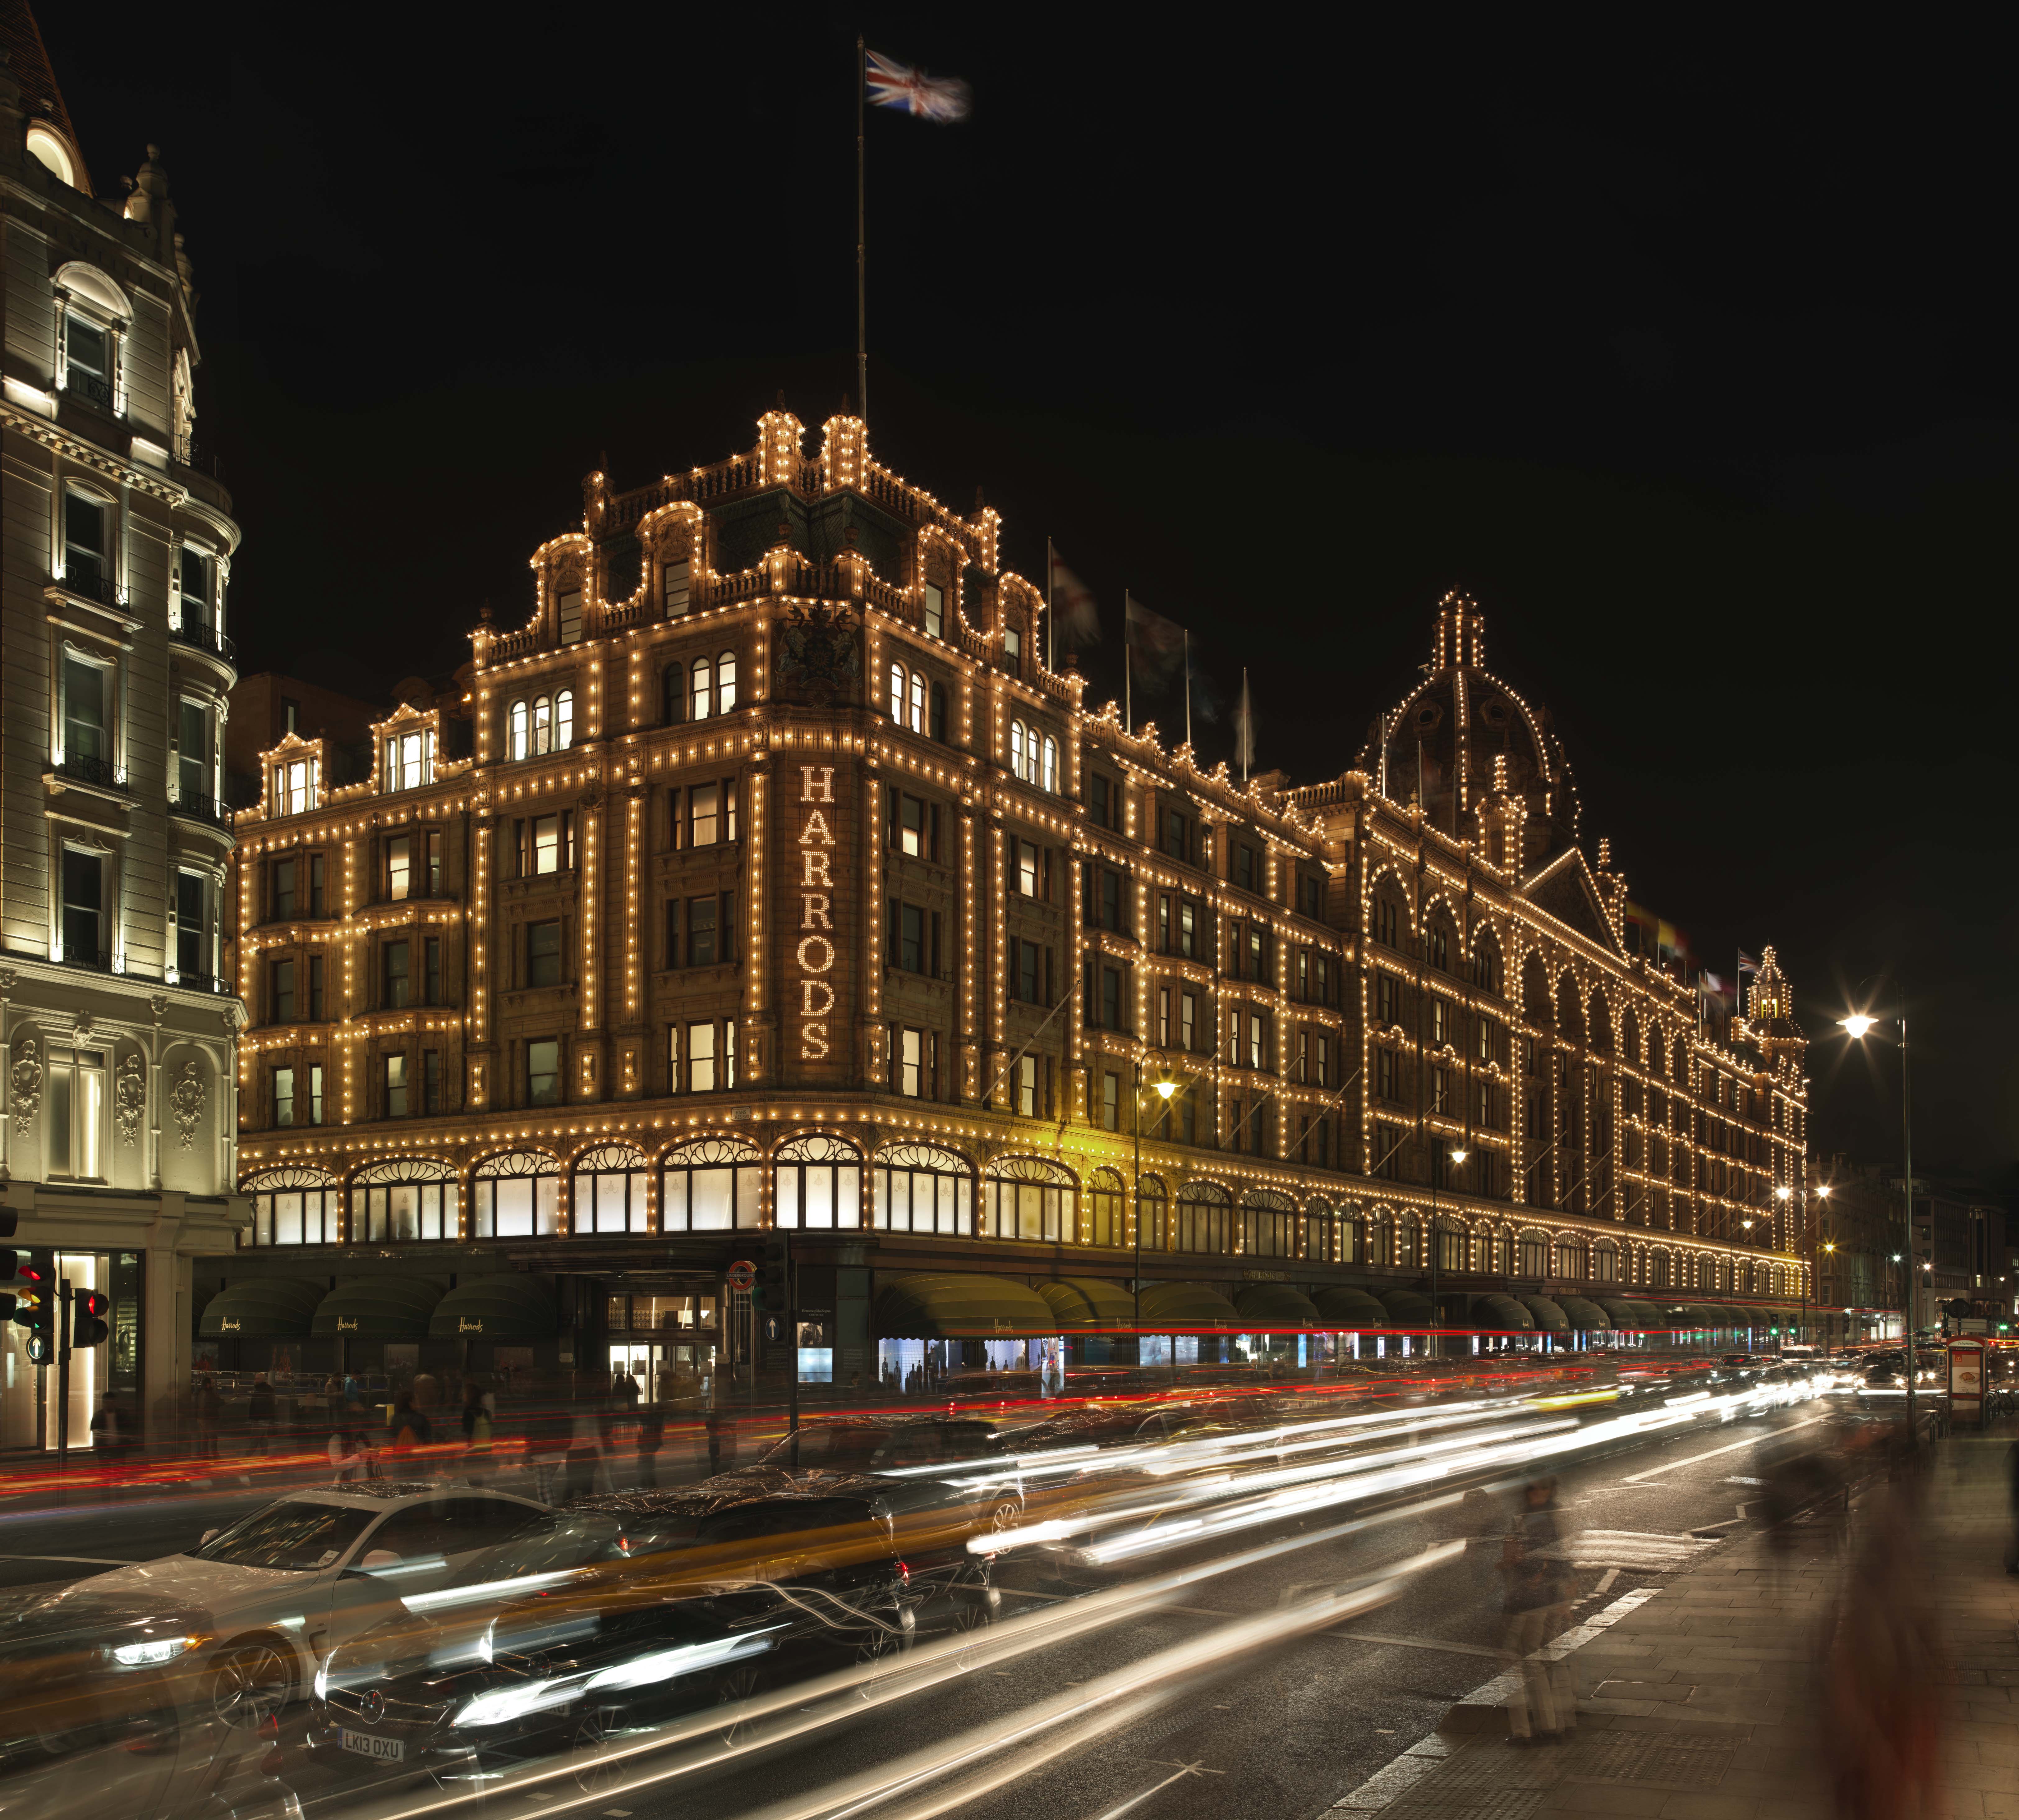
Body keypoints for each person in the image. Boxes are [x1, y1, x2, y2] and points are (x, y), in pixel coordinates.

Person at [1498, 1477, 1577, 1744]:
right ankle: (1554, 1724)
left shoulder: (1523, 1520)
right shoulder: (1555, 1515)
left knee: (1516, 1662)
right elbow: (1565, 1557)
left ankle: (1523, 1731)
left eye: (1542, 1488)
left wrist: (1510, 1564)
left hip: (1527, 1601)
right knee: (1541, 1660)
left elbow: (1517, 1558)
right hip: (1551, 1598)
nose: (1538, 1493)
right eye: (1536, 1488)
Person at [461, 1380, 493, 1484]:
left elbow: (467, 1434)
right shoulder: (486, 1413)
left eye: (465, 1393)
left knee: (472, 1483)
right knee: (479, 1481)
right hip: (485, 1452)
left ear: (469, 1396)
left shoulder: (468, 1414)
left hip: (473, 1453)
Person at [90, 1393, 126, 1473]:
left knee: (118, 1473)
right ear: (104, 1403)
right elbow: (94, 1430)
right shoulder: (99, 1416)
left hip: (118, 1448)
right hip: (105, 1448)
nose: (110, 1405)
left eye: (112, 1402)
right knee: (106, 1473)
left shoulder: (122, 1415)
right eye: (108, 1402)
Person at [389, 1388, 431, 1453]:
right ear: (411, 1403)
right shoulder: (421, 1418)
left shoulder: (395, 1418)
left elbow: (392, 1437)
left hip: (400, 1455)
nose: (419, 1402)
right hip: (417, 1454)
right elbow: (428, 1439)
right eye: (416, 1400)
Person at [636, 1401, 664, 1488]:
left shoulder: (654, 1420)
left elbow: (646, 1423)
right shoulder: (657, 1419)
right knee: (647, 1463)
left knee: (646, 1463)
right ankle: (648, 1483)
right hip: (651, 1443)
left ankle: (647, 1484)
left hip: (649, 1443)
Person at [247, 1373, 275, 1454]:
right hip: (264, 1418)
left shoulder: (261, 1391)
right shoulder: (264, 1390)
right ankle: (264, 1454)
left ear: (263, 1380)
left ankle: (247, 1456)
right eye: (256, 1378)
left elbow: (258, 1406)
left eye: (258, 1379)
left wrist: (254, 1418)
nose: (256, 1380)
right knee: (263, 1437)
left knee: (255, 1438)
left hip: (260, 1418)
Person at [196, 1373, 223, 1458]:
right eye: (213, 1384)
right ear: (208, 1385)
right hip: (208, 1419)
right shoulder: (209, 1394)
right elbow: (218, 1402)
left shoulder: (201, 1393)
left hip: (201, 1418)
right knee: (213, 1437)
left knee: (204, 1437)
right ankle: (215, 1456)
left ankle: (205, 1455)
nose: (215, 1385)